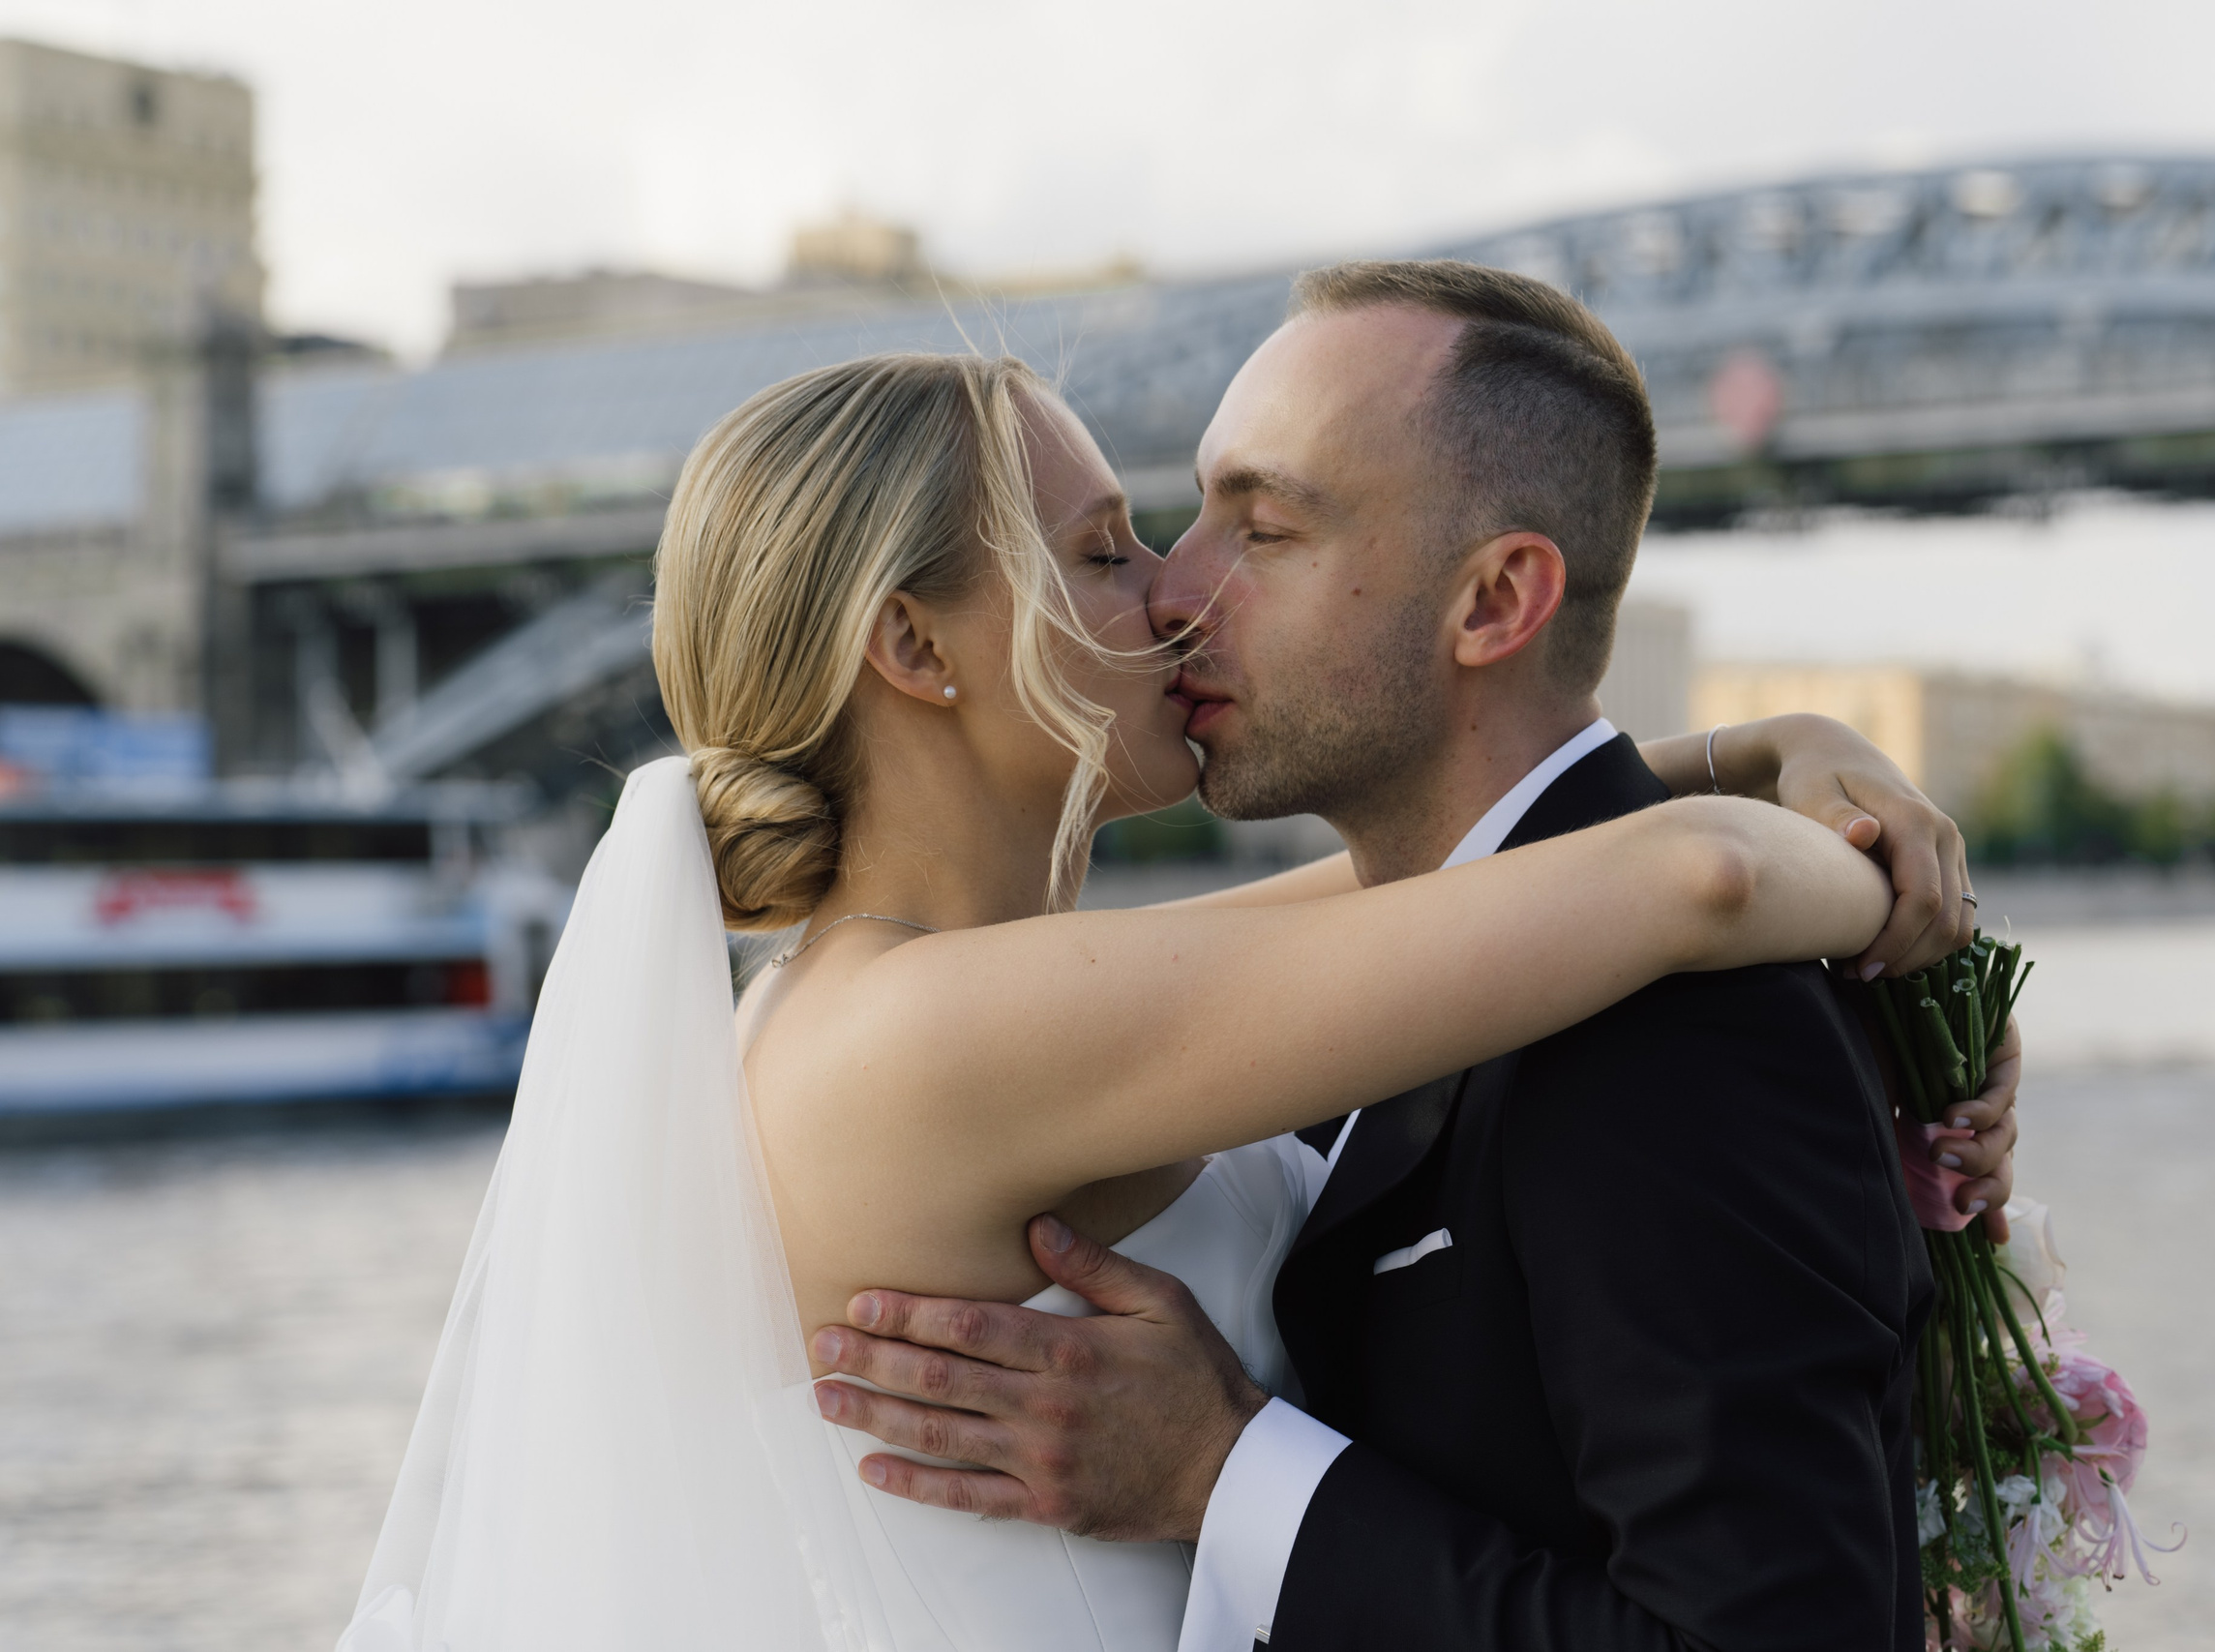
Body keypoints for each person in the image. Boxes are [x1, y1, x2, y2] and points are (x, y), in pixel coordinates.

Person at [339, 333, 2008, 1652]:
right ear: (918, 651)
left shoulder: (923, 996)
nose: (1174, 593)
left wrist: (1764, 749)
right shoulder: (926, 1039)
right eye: (1101, 550)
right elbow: (1696, 884)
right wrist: (1901, 911)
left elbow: (1453, 888)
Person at [806, 262, 2020, 1652]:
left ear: (1494, 602)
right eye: (1165, 527)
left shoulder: (1674, 1028)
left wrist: (1222, 1469)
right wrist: (1816, 812)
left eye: (1262, 529)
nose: (1176, 593)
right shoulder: (1374, 976)